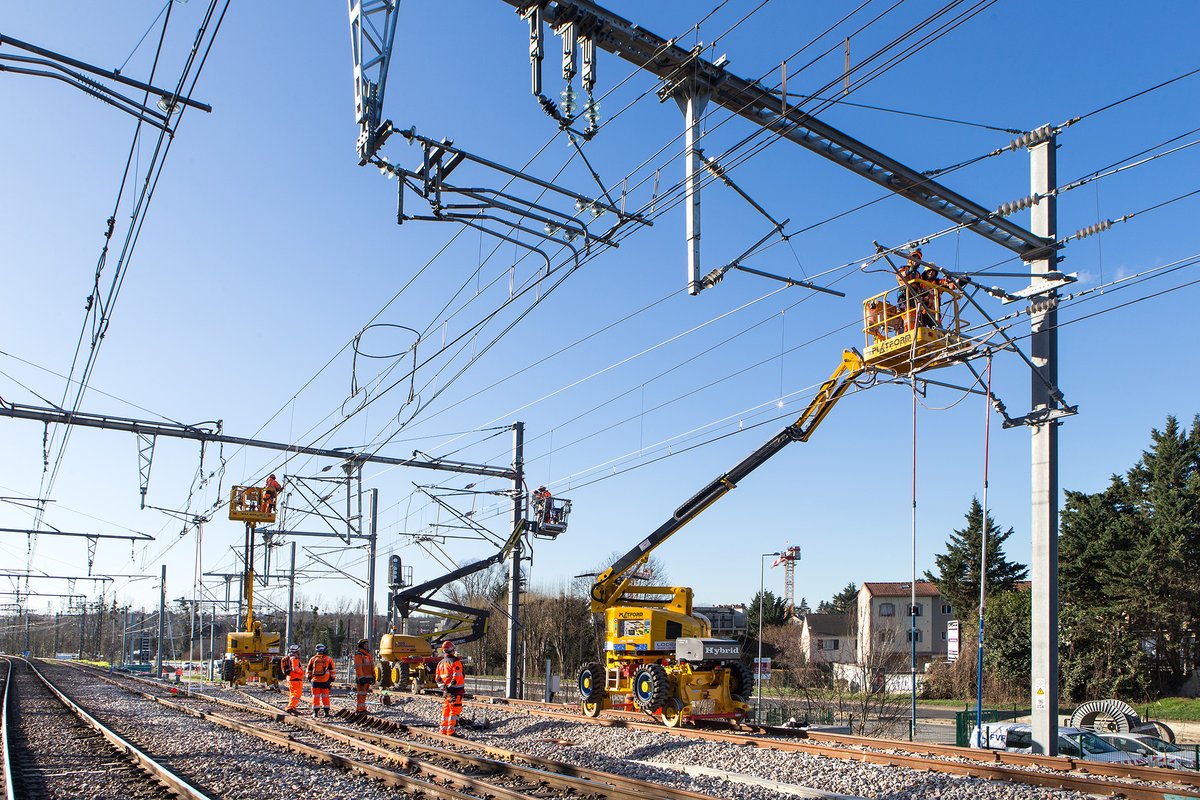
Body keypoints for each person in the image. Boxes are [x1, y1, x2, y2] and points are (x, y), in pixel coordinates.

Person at [434, 640, 465, 736]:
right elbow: (456, 678)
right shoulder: (456, 662)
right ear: (452, 650)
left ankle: (443, 730)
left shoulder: (440, 663)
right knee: (454, 711)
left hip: (446, 692)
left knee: (446, 711)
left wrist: (445, 689)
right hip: (456, 692)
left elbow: (438, 679)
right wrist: (451, 689)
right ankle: (451, 732)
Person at [306, 643, 335, 717]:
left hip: (315, 681)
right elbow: (332, 670)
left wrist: (309, 678)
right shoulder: (328, 659)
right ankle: (326, 712)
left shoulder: (313, 659)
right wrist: (332, 679)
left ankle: (315, 713)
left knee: (315, 697)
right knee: (325, 696)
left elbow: (308, 670)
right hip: (325, 681)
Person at [352, 638, 375, 716]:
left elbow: (371, 667)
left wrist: (373, 677)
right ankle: (361, 710)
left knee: (363, 695)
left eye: (367, 644)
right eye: (365, 645)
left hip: (368, 678)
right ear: (362, 646)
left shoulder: (367, 655)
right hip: (363, 678)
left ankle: (361, 709)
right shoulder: (359, 655)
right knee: (361, 694)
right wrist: (361, 677)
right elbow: (358, 667)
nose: (367, 646)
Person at [281, 644, 305, 715]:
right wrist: (301, 672)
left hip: (290, 678)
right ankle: (291, 707)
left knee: (293, 694)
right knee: (297, 694)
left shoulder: (289, 657)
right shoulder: (294, 658)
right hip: (295, 678)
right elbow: (295, 668)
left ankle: (292, 707)